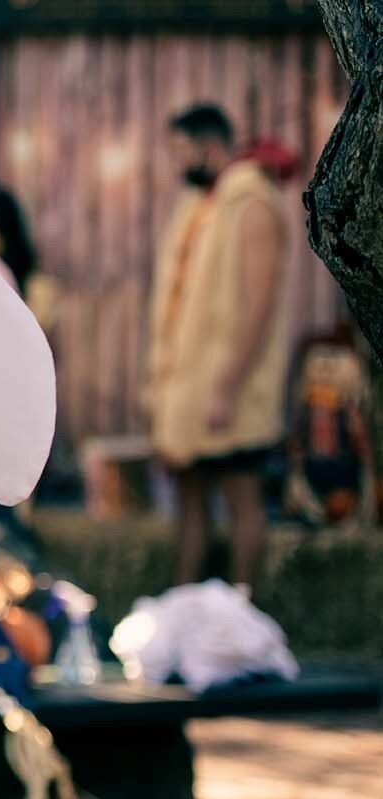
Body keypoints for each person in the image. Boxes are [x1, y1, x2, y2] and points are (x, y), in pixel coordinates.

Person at [145, 103, 291, 589]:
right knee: (189, 497)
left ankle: (241, 614)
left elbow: (258, 307)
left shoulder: (252, 205)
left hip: (231, 391)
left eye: (183, 151)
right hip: (188, 390)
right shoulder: (200, 206)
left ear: (210, 148)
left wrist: (226, 387)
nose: (178, 163)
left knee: (240, 497)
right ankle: (187, 610)